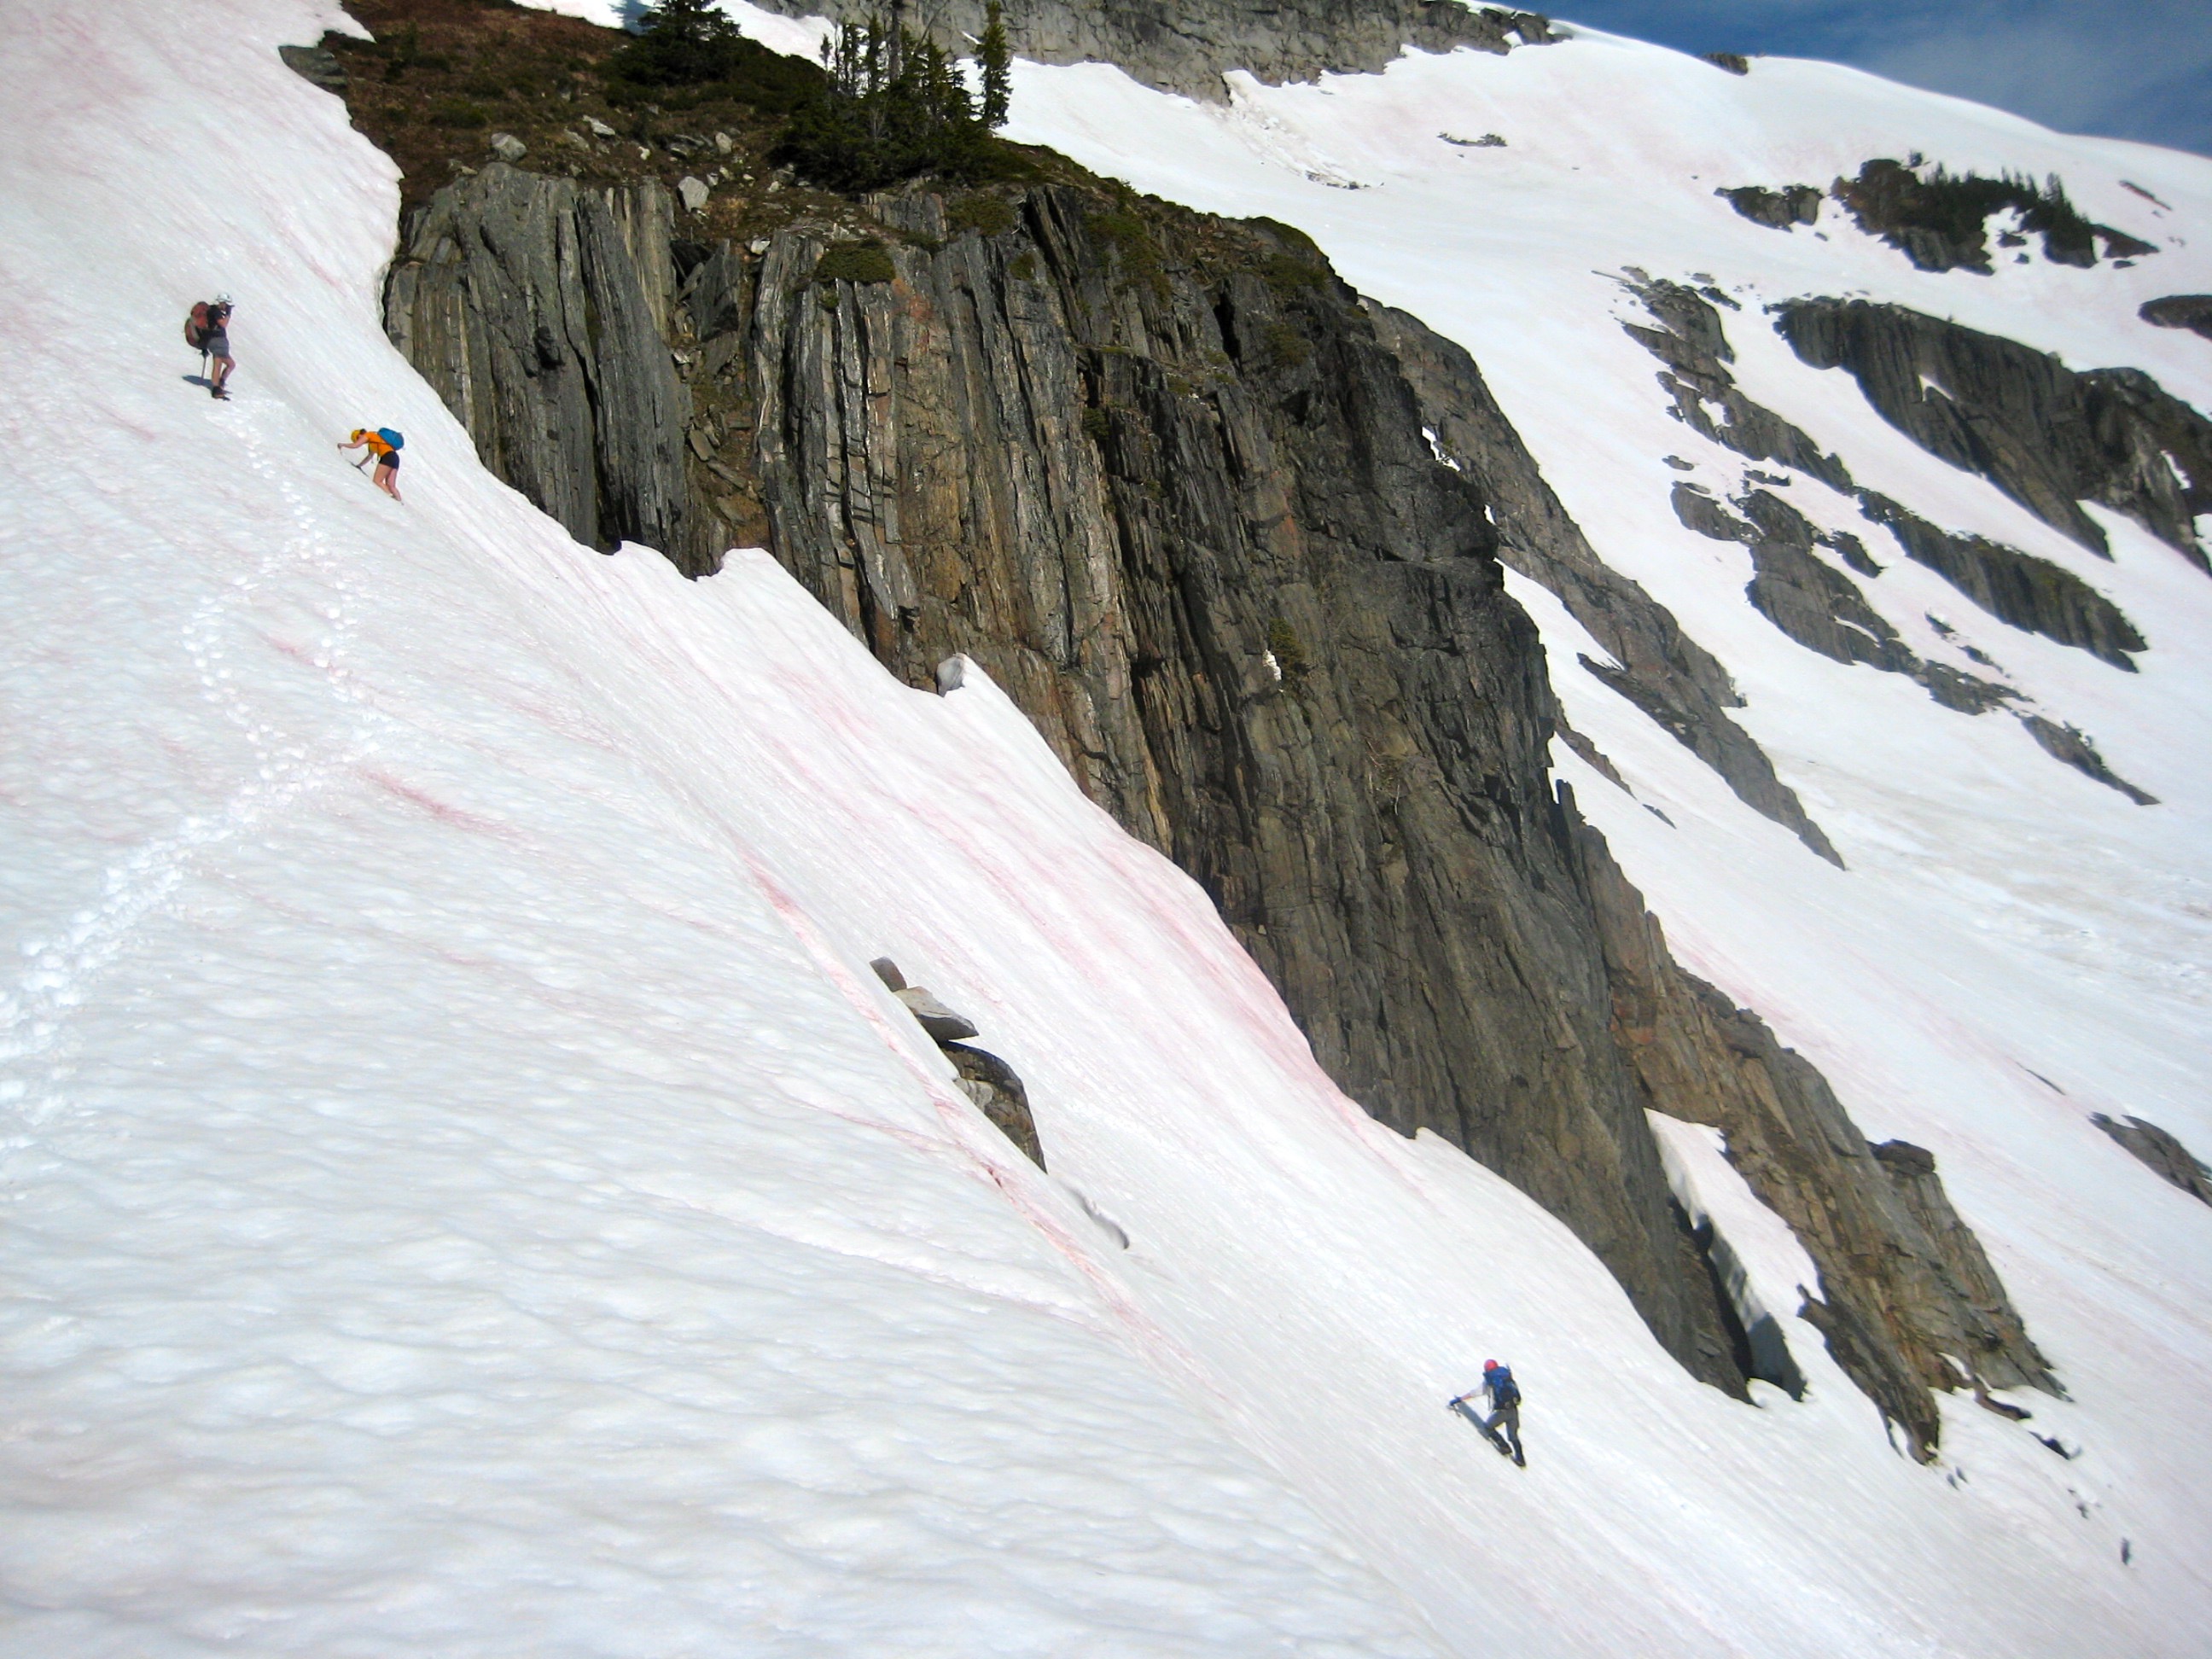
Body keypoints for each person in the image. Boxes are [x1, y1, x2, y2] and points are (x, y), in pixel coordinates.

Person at [1454, 1359, 1524, 1466]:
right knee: (1513, 1436)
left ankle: (1504, 1447)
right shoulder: (1506, 1376)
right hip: (1513, 1410)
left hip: (1502, 1411)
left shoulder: (1490, 1380)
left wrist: (1460, 1399)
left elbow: (1476, 1392)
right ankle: (1520, 1459)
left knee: (1488, 1427)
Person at [339, 428, 405, 503]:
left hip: (387, 457)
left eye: (357, 438)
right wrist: (359, 465)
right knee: (391, 486)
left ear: (360, 435)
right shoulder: (375, 439)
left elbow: (355, 445)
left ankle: (392, 499)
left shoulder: (369, 435)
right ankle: (400, 503)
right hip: (395, 458)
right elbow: (369, 457)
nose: (359, 440)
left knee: (377, 480)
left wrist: (342, 445)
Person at [201, 296, 235, 399]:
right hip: (218, 341)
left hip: (213, 340)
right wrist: (228, 315)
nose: (227, 308)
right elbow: (223, 324)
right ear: (222, 303)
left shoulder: (211, 310)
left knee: (225, 364)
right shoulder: (216, 311)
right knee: (223, 364)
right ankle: (217, 387)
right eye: (227, 306)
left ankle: (218, 384)